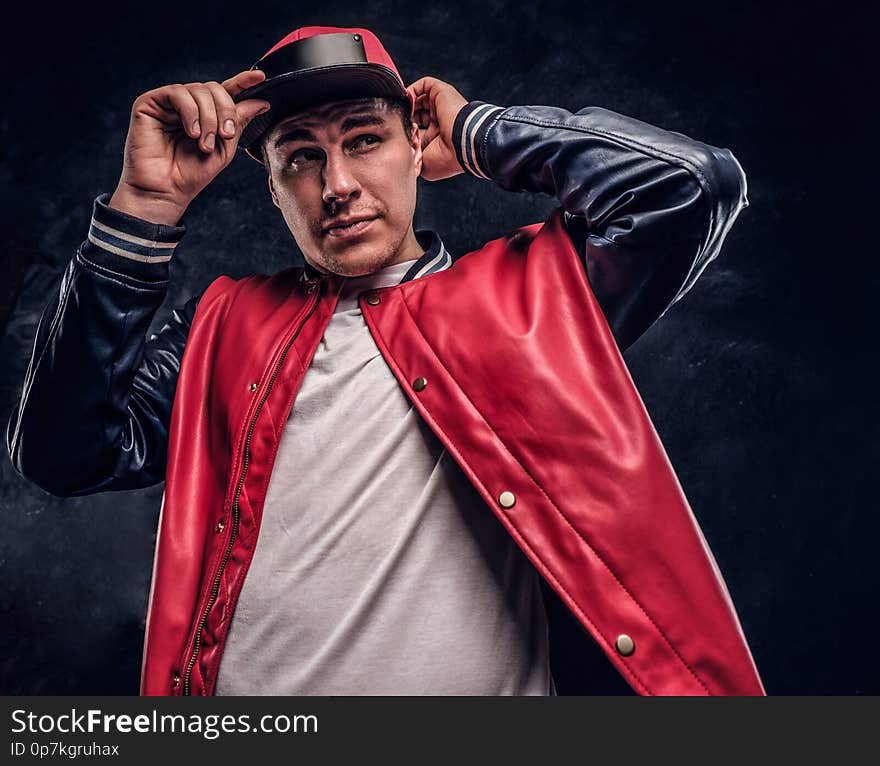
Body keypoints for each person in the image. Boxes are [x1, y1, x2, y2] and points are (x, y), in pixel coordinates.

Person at [7, 25, 764, 696]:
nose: (337, 186)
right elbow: (64, 455)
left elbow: (691, 185)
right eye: (302, 158)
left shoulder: (532, 298)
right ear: (272, 189)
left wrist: (477, 131)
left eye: (364, 140)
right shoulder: (220, 326)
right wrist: (143, 206)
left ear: (414, 148)